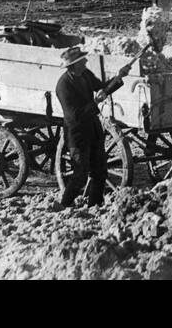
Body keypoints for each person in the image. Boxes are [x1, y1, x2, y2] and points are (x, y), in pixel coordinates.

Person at [52, 46, 138, 210]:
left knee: (100, 171)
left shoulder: (84, 75)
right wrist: (95, 103)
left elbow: (102, 88)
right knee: (80, 175)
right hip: (77, 134)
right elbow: (74, 116)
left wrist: (119, 76)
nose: (85, 61)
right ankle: (62, 206)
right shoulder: (63, 86)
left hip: (93, 129)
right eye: (82, 60)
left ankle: (95, 206)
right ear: (74, 65)